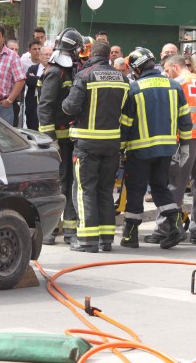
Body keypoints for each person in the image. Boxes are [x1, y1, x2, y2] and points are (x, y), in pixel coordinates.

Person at [119, 48, 193, 250]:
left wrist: (119, 149)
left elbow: (125, 124)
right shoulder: (173, 86)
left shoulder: (134, 89)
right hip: (167, 150)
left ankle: (130, 236)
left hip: (140, 151)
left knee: (136, 190)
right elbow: (185, 120)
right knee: (161, 188)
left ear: (136, 68)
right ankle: (176, 226)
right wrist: (184, 146)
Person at [62, 41, 130, 253]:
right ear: (109, 56)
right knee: (105, 190)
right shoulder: (123, 79)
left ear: (91, 53)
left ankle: (87, 240)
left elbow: (70, 107)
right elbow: (127, 116)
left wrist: (65, 105)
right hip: (112, 143)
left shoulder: (84, 75)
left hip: (86, 143)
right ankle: (106, 239)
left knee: (85, 190)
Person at [145, 54, 196, 245]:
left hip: (186, 138)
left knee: (175, 184)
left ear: (175, 67)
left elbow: (172, 113)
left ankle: (165, 228)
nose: (166, 75)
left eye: (167, 71)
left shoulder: (177, 84)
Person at [38, 28, 83, 245]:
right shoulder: (56, 72)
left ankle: (69, 230)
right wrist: (50, 140)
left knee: (71, 182)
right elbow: (45, 107)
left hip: (70, 138)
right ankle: (52, 230)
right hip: (58, 140)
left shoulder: (70, 70)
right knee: (61, 183)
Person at [0, 24, 26, 125]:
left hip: (2, 106)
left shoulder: (12, 56)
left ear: (3, 38)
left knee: (3, 139)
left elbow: (20, 80)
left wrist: (9, 100)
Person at [24, 44, 52, 130]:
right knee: (32, 131)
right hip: (33, 105)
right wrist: (41, 80)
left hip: (48, 104)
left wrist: (36, 79)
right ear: (40, 56)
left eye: (50, 55)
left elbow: (50, 84)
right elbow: (29, 81)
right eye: (46, 54)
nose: (48, 57)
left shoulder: (55, 70)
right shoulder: (33, 68)